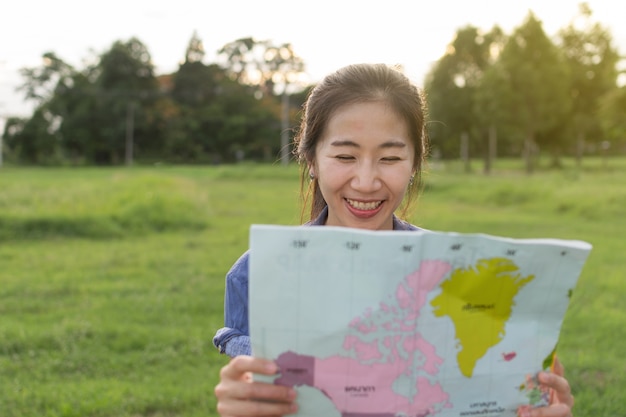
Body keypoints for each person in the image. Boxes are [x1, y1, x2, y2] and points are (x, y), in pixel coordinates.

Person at [212, 63, 574, 417]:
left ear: (414, 163)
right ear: (311, 159)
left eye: (389, 157)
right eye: (344, 156)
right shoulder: (258, 272)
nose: (366, 181)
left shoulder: (464, 275)